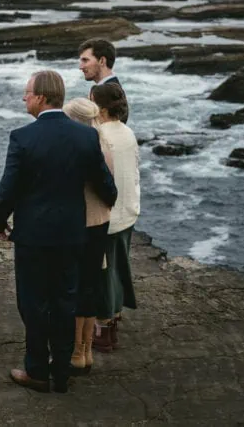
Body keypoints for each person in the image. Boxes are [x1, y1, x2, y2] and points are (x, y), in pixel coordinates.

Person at [0, 70, 117, 394]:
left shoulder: (22, 137)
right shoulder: (85, 136)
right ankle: (61, 372)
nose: (24, 98)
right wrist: (111, 201)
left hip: (33, 236)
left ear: (42, 98)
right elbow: (106, 185)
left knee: (32, 303)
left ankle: (36, 370)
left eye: (27, 93)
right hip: (72, 234)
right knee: (65, 301)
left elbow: (8, 188)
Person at [62, 97, 113, 375]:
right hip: (101, 220)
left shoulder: (84, 145)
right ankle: (87, 350)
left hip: (82, 222)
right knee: (91, 284)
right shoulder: (105, 141)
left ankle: (77, 351)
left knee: (75, 286)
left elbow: (103, 186)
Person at [89, 82, 140, 352]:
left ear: (102, 108)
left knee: (103, 273)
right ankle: (115, 317)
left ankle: (104, 329)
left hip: (107, 215)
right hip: (128, 210)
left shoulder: (98, 135)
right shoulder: (128, 132)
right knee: (119, 267)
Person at [78, 38, 128, 123]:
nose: (81, 67)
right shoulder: (113, 88)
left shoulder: (108, 93)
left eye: (85, 60)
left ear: (102, 61)